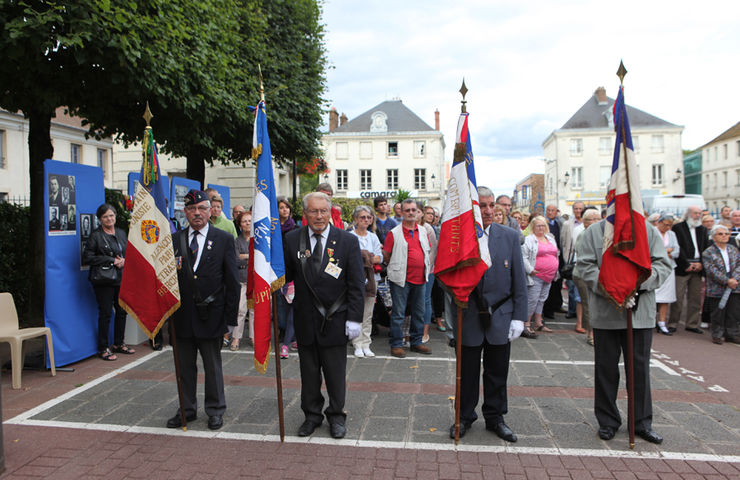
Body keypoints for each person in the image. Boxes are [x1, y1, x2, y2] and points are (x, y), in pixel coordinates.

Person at [577, 216, 672, 445]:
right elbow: (584, 267)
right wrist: (613, 285)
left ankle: (641, 422)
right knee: (606, 370)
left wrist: (637, 283)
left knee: (639, 371)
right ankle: (608, 421)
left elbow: (662, 265)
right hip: (606, 312)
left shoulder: (647, 231)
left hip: (639, 315)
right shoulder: (594, 233)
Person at [449, 186, 527, 442]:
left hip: (501, 314)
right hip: (468, 312)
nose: (489, 211)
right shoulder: (459, 237)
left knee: (497, 372)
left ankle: (495, 417)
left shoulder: (509, 236)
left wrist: (519, 316)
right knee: (467, 372)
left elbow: (518, 278)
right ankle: (464, 416)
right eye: (483, 206)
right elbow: (444, 275)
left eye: (492, 205)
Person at [283, 192, 364, 439]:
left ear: (330, 213)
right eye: (313, 211)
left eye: (323, 211)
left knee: (335, 373)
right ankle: (311, 415)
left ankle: (337, 415)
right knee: (308, 374)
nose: (319, 216)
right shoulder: (292, 239)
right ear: (305, 214)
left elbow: (356, 284)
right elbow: (284, 276)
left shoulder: (347, 241)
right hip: (305, 319)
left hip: (336, 319)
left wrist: (355, 318)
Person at [167, 190, 239, 431]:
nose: (197, 213)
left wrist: (230, 319)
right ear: (185, 212)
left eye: (202, 209)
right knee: (184, 367)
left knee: (212, 366)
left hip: (212, 314)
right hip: (183, 315)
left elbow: (231, 282)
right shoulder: (175, 240)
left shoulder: (223, 239)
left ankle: (215, 410)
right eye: (191, 209)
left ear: (211, 211)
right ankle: (187, 409)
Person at [82, 204, 133, 361]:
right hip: (103, 280)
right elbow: (86, 258)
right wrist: (111, 260)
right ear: (100, 219)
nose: (109, 219)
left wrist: (124, 260)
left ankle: (119, 343)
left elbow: (128, 251)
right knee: (105, 313)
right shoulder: (96, 236)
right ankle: (103, 348)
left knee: (122, 311)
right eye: (105, 217)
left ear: (115, 216)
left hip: (120, 278)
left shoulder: (121, 233)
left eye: (111, 215)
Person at [383, 199, 433, 358]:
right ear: (402, 213)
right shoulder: (394, 233)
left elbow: (427, 251)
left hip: (421, 278)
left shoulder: (423, 231)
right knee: (398, 313)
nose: (411, 213)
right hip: (400, 279)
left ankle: (416, 342)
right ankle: (396, 344)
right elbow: (387, 255)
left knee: (419, 312)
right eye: (407, 210)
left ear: (418, 213)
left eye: (414, 210)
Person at [668, 206, 708, 334]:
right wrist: (686, 264)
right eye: (695, 213)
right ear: (688, 214)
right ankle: (673, 322)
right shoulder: (678, 228)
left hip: (698, 266)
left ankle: (692, 323)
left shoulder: (702, 229)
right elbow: (677, 248)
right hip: (682, 267)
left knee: (695, 298)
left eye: (700, 214)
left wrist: (701, 263)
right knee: (678, 297)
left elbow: (705, 248)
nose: (698, 216)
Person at [348, 205, 382, 357]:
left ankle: (366, 343)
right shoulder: (349, 236)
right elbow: (349, 258)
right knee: (356, 312)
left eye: (369, 217)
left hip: (371, 280)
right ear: (355, 219)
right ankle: (356, 343)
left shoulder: (373, 237)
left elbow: (378, 258)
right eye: (362, 217)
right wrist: (367, 256)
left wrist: (364, 257)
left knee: (368, 314)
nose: (366, 220)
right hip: (354, 280)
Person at [521, 216, 559, 338]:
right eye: (538, 225)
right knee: (532, 300)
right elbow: (524, 256)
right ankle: (526, 324)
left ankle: (538, 323)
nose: (541, 228)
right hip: (536, 275)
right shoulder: (529, 239)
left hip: (549, 276)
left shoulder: (550, 238)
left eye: (543, 225)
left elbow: (555, 254)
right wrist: (530, 270)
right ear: (533, 227)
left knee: (542, 299)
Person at [702, 225, 740, 345]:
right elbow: (711, 270)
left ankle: (732, 334)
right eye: (720, 234)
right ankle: (717, 334)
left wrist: (734, 279)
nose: (724, 236)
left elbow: (739, 265)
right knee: (718, 312)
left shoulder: (733, 249)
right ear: (713, 237)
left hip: (735, 284)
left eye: (726, 234)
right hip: (717, 286)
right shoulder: (708, 252)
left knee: (733, 312)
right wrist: (727, 281)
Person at [572, 209, 601, 346]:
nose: (596, 221)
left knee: (594, 304)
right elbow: (583, 255)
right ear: (585, 222)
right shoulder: (584, 235)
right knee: (589, 304)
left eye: (598, 218)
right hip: (583, 274)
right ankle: (592, 334)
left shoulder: (599, 234)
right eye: (592, 219)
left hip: (596, 272)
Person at [277, 196, 299, 357]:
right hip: (277, 270)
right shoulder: (273, 227)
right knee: (281, 308)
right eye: (281, 207)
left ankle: (288, 341)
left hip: (292, 270)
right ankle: (287, 333)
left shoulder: (295, 228)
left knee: (292, 305)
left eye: (286, 207)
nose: (284, 210)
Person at [654, 214, 680, 335]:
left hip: (669, 268)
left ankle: (662, 323)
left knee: (666, 298)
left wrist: (666, 252)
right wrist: (666, 251)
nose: (667, 227)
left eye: (670, 225)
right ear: (659, 222)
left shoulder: (672, 234)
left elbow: (676, 251)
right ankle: (651, 321)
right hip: (654, 268)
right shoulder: (652, 232)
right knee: (653, 295)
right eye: (665, 224)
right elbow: (652, 250)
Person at [230, 211, 252, 351]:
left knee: (255, 311)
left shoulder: (258, 240)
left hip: (255, 280)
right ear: (240, 224)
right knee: (240, 309)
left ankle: (254, 337)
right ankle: (236, 338)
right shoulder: (236, 241)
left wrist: (245, 256)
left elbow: (260, 258)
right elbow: (236, 259)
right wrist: (250, 257)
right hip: (241, 279)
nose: (247, 223)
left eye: (250, 221)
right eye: (244, 221)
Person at [561, 201, 585, 319]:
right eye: (576, 208)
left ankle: (581, 312)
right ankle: (572, 310)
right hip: (571, 258)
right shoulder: (567, 224)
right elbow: (564, 242)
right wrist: (566, 258)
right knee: (571, 286)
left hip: (582, 259)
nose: (578, 211)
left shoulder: (587, 223)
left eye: (580, 208)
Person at [543, 204, 565, 319]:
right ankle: (547, 310)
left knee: (558, 283)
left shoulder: (559, 223)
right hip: (546, 256)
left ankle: (557, 305)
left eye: (553, 210)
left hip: (559, 255)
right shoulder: (543, 223)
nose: (550, 212)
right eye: (548, 210)